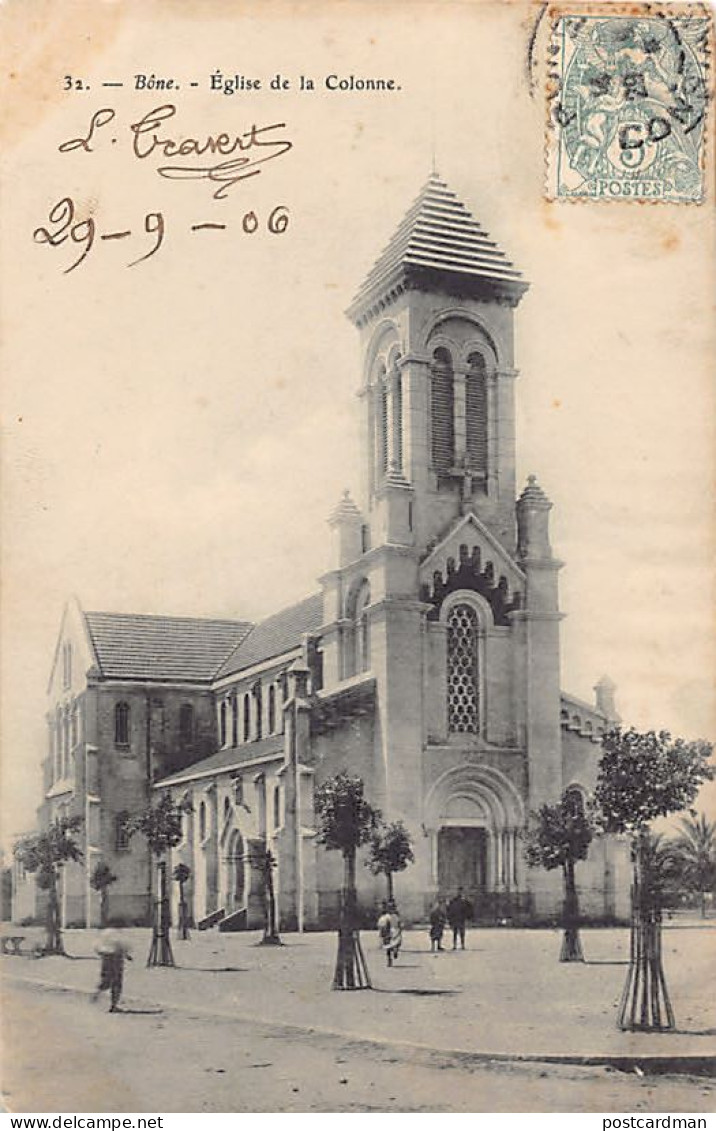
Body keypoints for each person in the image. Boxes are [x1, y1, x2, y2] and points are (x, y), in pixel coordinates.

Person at [92, 928, 132, 1012]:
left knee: (106, 978)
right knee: (117, 982)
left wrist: (102, 953)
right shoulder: (119, 934)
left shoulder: (103, 933)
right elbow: (124, 946)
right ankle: (114, 1005)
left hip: (106, 957)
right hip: (116, 957)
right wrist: (127, 955)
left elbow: (96, 946)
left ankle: (97, 993)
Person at [377, 900, 402, 967]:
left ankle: (391, 956)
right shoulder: (393, 916)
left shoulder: (389, 916)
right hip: (391, 931)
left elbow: (382, 925)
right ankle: (390, 958)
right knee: (390, 946)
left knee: (390, 946)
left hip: (391, 931)